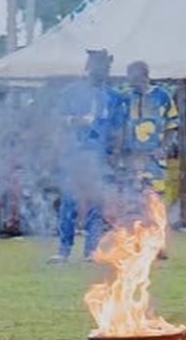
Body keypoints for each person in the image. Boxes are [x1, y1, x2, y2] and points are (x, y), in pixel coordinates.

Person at [50, 49, 126, 264]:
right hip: (73, 154)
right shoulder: (71, 92)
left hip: (98, 157)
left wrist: (115, 154)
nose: (101, 70)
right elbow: (58, 121)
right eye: (97, 65)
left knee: (96, 203)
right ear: (88, 67)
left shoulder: (114, 96)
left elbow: (118, 129)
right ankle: (63, 250)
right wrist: (75, 122)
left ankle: (91, 250)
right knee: (69, 202)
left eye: (105, 66)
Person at [121, 60, 178, 254]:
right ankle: (136, 243)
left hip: (155, 160)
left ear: (144, 75)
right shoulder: (125, 98)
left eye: (133, 75)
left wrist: (164, 147)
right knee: (133, 201)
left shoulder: (162, 96)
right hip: (132, 159)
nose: (129, 80)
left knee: (155, 201)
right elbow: (118, 128)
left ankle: (158, 244)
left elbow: (173, 125)